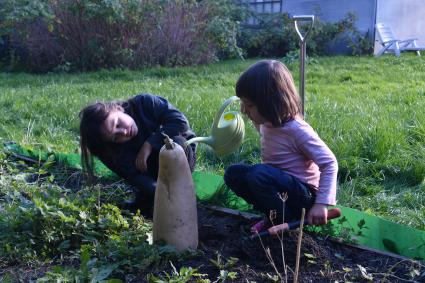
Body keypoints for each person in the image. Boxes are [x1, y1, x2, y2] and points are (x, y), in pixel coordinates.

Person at [224, 60, 338, 232]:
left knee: (259, 174)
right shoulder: (266, 122)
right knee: (234, 174)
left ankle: (284, 219)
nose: (244, 110)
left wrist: (321, 204)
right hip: (280, 187)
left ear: (271, 102)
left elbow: (329, 163)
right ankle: (275, 216)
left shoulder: (297, 130)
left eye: (249, 105)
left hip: (304, 195)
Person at [79, 93, 196, 217]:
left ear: (117, 108)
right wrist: (163, 194)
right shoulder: (112, 152)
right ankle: (148, 199)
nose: (123, 132)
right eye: (116, 137)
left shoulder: (144, 103)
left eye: (117, 123)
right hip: (152, 173)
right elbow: (136, 177)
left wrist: (149, 144)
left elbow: (180, 122)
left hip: (183, 154)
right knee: (151, 197)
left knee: (175, 145)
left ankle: (173, 191)